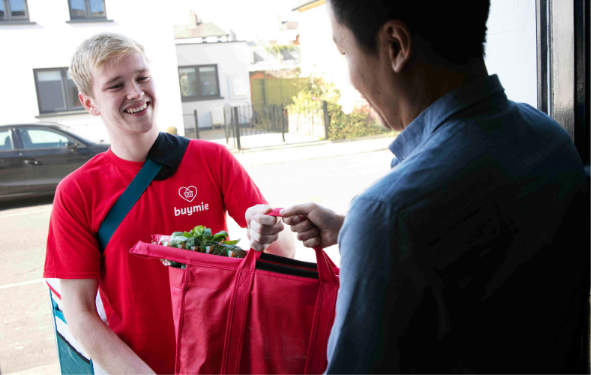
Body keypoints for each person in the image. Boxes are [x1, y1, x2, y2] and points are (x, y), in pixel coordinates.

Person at [282, 1, 591, 373]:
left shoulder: (388, 215)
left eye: (345, 51)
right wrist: (351, 230)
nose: (348, 74)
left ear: (395, 46)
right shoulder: (550, 139)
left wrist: (371, 230)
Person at [43, 32, 294, 375]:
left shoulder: (211, 159)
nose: (136, 92)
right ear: (90, 103)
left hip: (225, 359)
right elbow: (80, 314)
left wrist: (266, 227)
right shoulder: (77, 192)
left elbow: (284, 254)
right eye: (116, 85)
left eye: (142, 77)